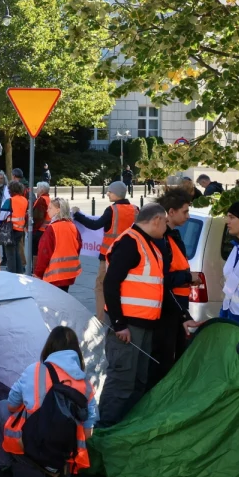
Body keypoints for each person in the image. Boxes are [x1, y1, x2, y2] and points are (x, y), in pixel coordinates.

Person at [0, 326, 98, 477]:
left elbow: (11, 406)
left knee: (0, 407)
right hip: (66, 453)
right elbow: (87, 434)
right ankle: (55, 472)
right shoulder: (85, 382)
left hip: (31, 450)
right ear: (76, 351)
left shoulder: (33, 370)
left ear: (49, 348)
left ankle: (4, 467)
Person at [98, 203, 170, 426]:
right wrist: (119, 324)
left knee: (137, 382)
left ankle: (122, 429)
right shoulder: (130, 243)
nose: (167, 227)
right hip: (128, 327)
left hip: (143, 326)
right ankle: (103, 431)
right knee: (121, 382)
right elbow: (110, 284)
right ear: (157, 220)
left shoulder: (149, 244)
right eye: (166, 222)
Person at [74, 181, 138, 322]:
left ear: (117, 194)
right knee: (123, 286)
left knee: (101, 286)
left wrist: (78, 215)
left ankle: (102, 319)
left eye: (110, 191)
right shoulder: (135, 209)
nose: (108, 193)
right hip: (130, 255)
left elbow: (95, 225)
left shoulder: (112, 210)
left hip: (109, 256)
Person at [152, 188, 197, 385]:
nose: (188, 216)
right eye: (185, 211)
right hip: (168, 309)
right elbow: (162, 280)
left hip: (177, 306)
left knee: (177, 356)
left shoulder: (172, 237)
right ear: (171, 212)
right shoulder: (162, 240)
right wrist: (187, 276)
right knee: (164, 362)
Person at [34, 198, 83, 291]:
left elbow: (44, 253)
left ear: (58, 210)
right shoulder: (72, 226)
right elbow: (78, 246)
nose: (47, 210)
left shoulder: (52, 228)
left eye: (50, 208)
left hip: (55, 274)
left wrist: (38, 273)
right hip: (70, 272)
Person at [0, 181, 29, 274]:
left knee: (10, 254)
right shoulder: (25, 200)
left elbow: (2, 216)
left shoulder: (10, 200)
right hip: (20, 229)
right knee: (16, 251)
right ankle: (19, 272)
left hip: (10, 230)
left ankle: (12, 273)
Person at [31, 181, 51, 259]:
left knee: (36, 252)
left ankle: (35, 270)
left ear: (42, 190)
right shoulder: (48, 199)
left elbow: (38, 216)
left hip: (39, 230)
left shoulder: (41, 200)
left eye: (38, 188)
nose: (37, 190)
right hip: (46, 229)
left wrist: (34, 229)